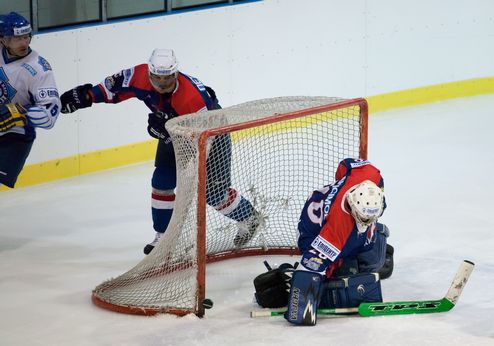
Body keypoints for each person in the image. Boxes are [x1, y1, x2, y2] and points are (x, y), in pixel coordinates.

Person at [60, 49, 261, 254]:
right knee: (161, 182)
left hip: (211, 133)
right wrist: (86, 96)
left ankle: (249, 217)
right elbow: (113, 88)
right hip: (173, 127)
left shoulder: (192, 98)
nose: (162, 83)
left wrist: (167, 136)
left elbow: (202, 140)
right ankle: (164, 237)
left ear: (176, 74)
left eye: (167, 79)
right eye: (157, 78)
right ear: (149, 73)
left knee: (213, 193)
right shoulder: (138, 75)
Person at [253, 158, 393, 325]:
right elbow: (312, 266)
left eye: (371, 217)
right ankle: (289, 276)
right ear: (353, 205)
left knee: (374, 253)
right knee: (343, 281)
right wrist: (301, 309)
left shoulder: (370, 175)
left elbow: (345, 164)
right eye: (363, 217)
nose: (366, 221)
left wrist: (338, 187)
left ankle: (357, 257)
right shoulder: (336, 232)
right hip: (313, 236)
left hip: (335, 223)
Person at [0, 12, 61, 188]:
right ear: (3, 40)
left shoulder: (38, 68)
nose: (25, 43)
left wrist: (19, 113)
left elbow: (50, 114)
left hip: (15, 136)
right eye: (18, 38)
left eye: (27, 37)